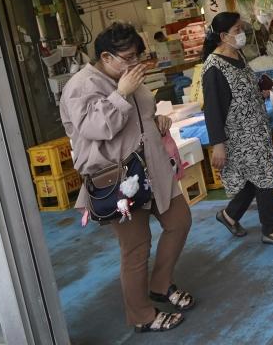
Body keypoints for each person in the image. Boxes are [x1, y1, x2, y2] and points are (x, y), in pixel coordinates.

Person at [59, 22, 194, 333]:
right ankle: (142, 316)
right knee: (136, 248)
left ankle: (160, 285)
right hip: (118, 180)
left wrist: (154, 119)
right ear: (107, 56)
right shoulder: (81, 86)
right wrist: (121, 93)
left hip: (153, 170)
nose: (136, 64)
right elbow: (95, 128)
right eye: (129, 57)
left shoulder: (125, 75)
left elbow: (139, 113)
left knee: (179, 220)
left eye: (137, 57)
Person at [202, 12, 273, 246]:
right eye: (237, 30)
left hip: (256, 129)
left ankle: (229, 215)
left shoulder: (238, 55)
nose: (242, 34)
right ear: (223, 36)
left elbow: (242, 88)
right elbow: (213, 109)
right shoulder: (214, 68)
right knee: (264, 178)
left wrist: (260, 90)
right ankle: (270, 229)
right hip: (239, 136)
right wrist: (218, 145)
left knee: (254, 180)